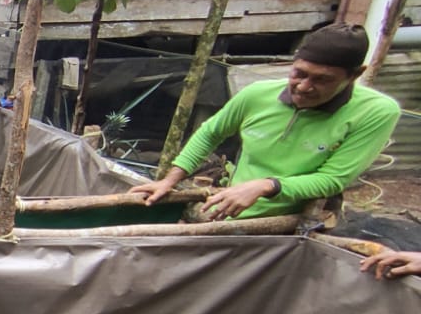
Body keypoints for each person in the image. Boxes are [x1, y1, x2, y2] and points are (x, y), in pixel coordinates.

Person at [131, 23, 401, 220]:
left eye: (322, 80)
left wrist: (266, 186)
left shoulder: (375, 112)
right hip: (230, 208)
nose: (304, 87)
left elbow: (333, 179)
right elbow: (210, 133)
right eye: (299, 73)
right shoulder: (258, 94)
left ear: (354, 75)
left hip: (295, 223)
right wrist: (170, 180)